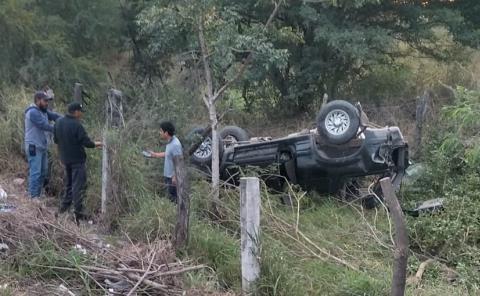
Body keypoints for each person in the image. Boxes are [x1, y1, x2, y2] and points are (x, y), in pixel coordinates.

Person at [53, 102, 102, 223]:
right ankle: (78, 213)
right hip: (77, 161)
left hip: (65, 160)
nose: (81, 114)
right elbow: (87, 143)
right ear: (75, 112)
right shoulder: (77, 125)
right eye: (80, 112)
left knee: (69, 185)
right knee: (78, 187)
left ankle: (63, 210)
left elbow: (55, 140)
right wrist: (97, 144)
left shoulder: (58, 122)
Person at [24, 90, 62, 199]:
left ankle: (38, 195)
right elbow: (44, 125)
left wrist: (68, 119)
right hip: (34, 146)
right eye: (45, 101)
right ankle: (32, 197)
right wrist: (62, 128)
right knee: (35, 172)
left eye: (47, 101)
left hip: (41, 146)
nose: (47, 103)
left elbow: (54, 116)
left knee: (43, 172)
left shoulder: (43, 111)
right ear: (37, 101)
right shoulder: (33, 112)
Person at [148, 121, 183, 202]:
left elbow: (179, 161)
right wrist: (155, 155)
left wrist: (175, 176)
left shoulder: (175, 144)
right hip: (168, 176)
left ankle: (177, 214)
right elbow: (168, 154)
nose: (159, 133)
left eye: (161, 131)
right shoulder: (171, 142)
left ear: (166, 133)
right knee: (170, 198)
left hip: (173, 178)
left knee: (174, 199)